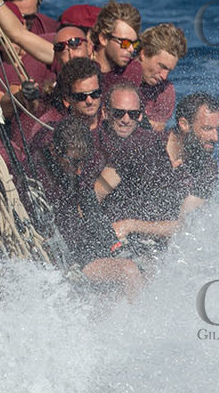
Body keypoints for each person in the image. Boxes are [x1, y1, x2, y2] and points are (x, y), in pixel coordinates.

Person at [32, 117, 144, 299]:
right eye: (74, 162)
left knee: (145, 267)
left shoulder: (75, 169)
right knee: (128, 271)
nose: (78, 170)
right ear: (54, 150)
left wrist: (115, 247)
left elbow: (92, 210)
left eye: (82, 162)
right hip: (67, 259)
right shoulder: (38, 176)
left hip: (85, 248)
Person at [99, 92, 219, 242]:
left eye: (217, 129)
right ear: (184, 125)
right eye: (207, 129)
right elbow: (96, 194)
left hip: (154, 249)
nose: (215, 137)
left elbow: (184, 225)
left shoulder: (207, 169)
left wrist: (131, 226)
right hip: (110, 237)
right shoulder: (142, 146)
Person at [97, 82, 150, 164]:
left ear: (140, 115)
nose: (126, 120)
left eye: (133, 114)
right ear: (105, 113)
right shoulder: (93, 142)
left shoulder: (150, 143)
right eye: (118, 113)